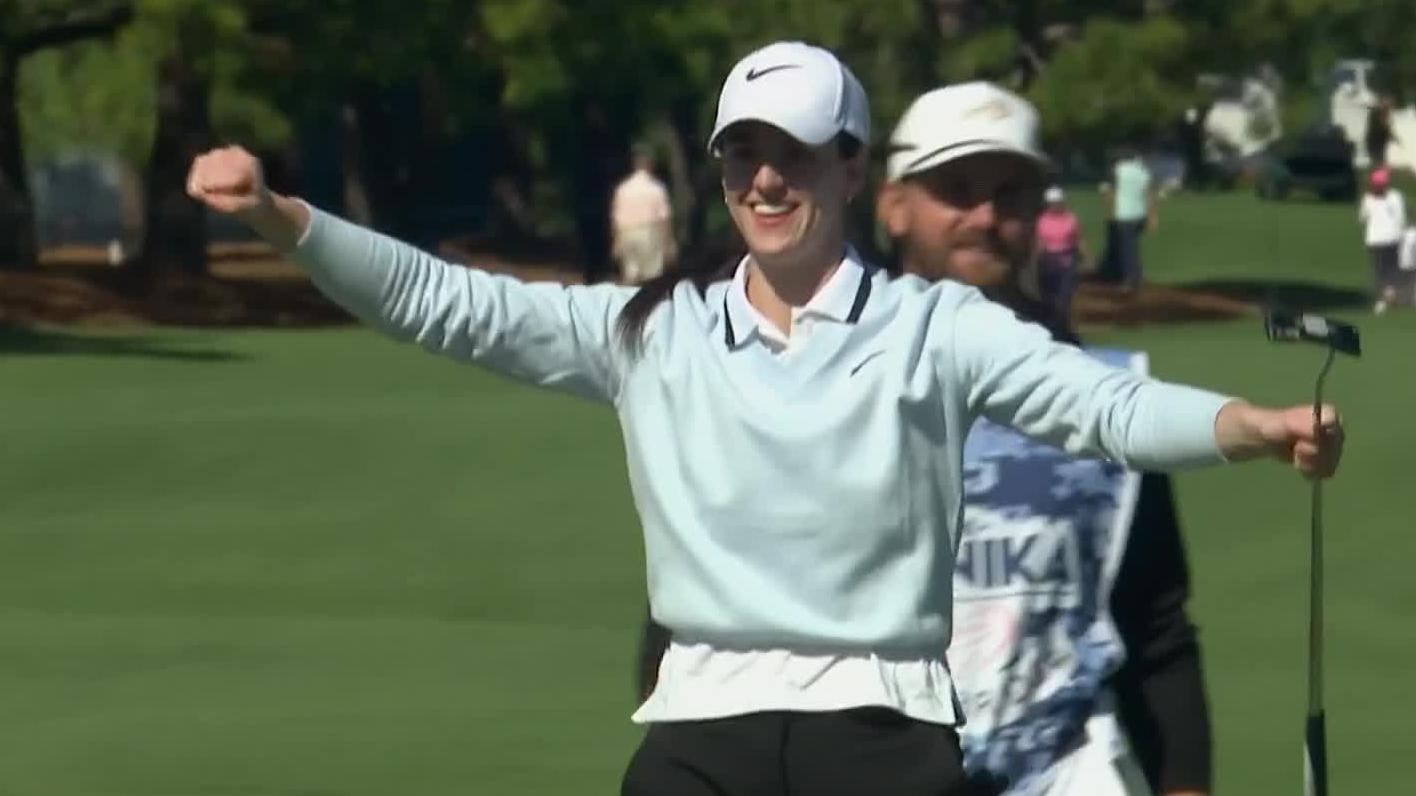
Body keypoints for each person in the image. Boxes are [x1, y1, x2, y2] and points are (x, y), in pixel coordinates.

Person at [186, 41, 1343, 796]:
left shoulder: (934, 326)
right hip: (701, 728)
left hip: (883, 732)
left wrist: (1252, 423)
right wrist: (290, 221)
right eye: (745, 157)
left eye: (792, 156)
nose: (767, 181)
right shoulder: (654, 331)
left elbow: (1105, 407)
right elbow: (450, 304)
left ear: (849, 170)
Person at [875, 81, 1212, 796]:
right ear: (892, 204)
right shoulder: (810, 392)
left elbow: (1157, 633)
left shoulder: (1108, 397)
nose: (985, 217)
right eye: (956, 190)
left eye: (1011, 195)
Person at [612, 151, 675, 285]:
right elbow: (663, 218)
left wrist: (616, 241)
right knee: (652, 274)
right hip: (649, 232)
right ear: (649, 167)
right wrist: (668, 243)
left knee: (630, 273)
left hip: (627, 232)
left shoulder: (623, 189)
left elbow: (616, 218)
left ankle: (629, 301)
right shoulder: (656, 189)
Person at [1034, 185, 1088, 328]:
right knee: (1049, 296)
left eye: (1058, 203)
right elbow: (1040, 242)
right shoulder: (1042, 220)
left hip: (1067, 259)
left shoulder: (1071, 219)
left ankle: (1062, 325)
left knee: (1064, 296)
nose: (1056, 206)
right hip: (1048, 260)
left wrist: (1087, 257)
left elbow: (1078, 239)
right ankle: (1052, 325)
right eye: (1053, 203)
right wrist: (1036, 260)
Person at [1359, 166, 1407, 314]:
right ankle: (1389, 294)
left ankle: (1384, 298)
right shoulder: (1395, 197)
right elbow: (1401, 218)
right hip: (1391, 237)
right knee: (1391, 267)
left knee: (1381, 269)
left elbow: (1363, 218)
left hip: (1377, 239)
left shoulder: (1368, 199)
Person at [1109, 147, 1155, 293]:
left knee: (1126, 248)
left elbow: (1109, 190)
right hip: (1139, 214)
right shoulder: (1143, 172)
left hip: (1124, 214)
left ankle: (1130, 280)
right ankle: (1138, 275)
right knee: (1132, 246)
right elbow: (1149, 195)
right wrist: (1151, 216)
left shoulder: (1119, 170)